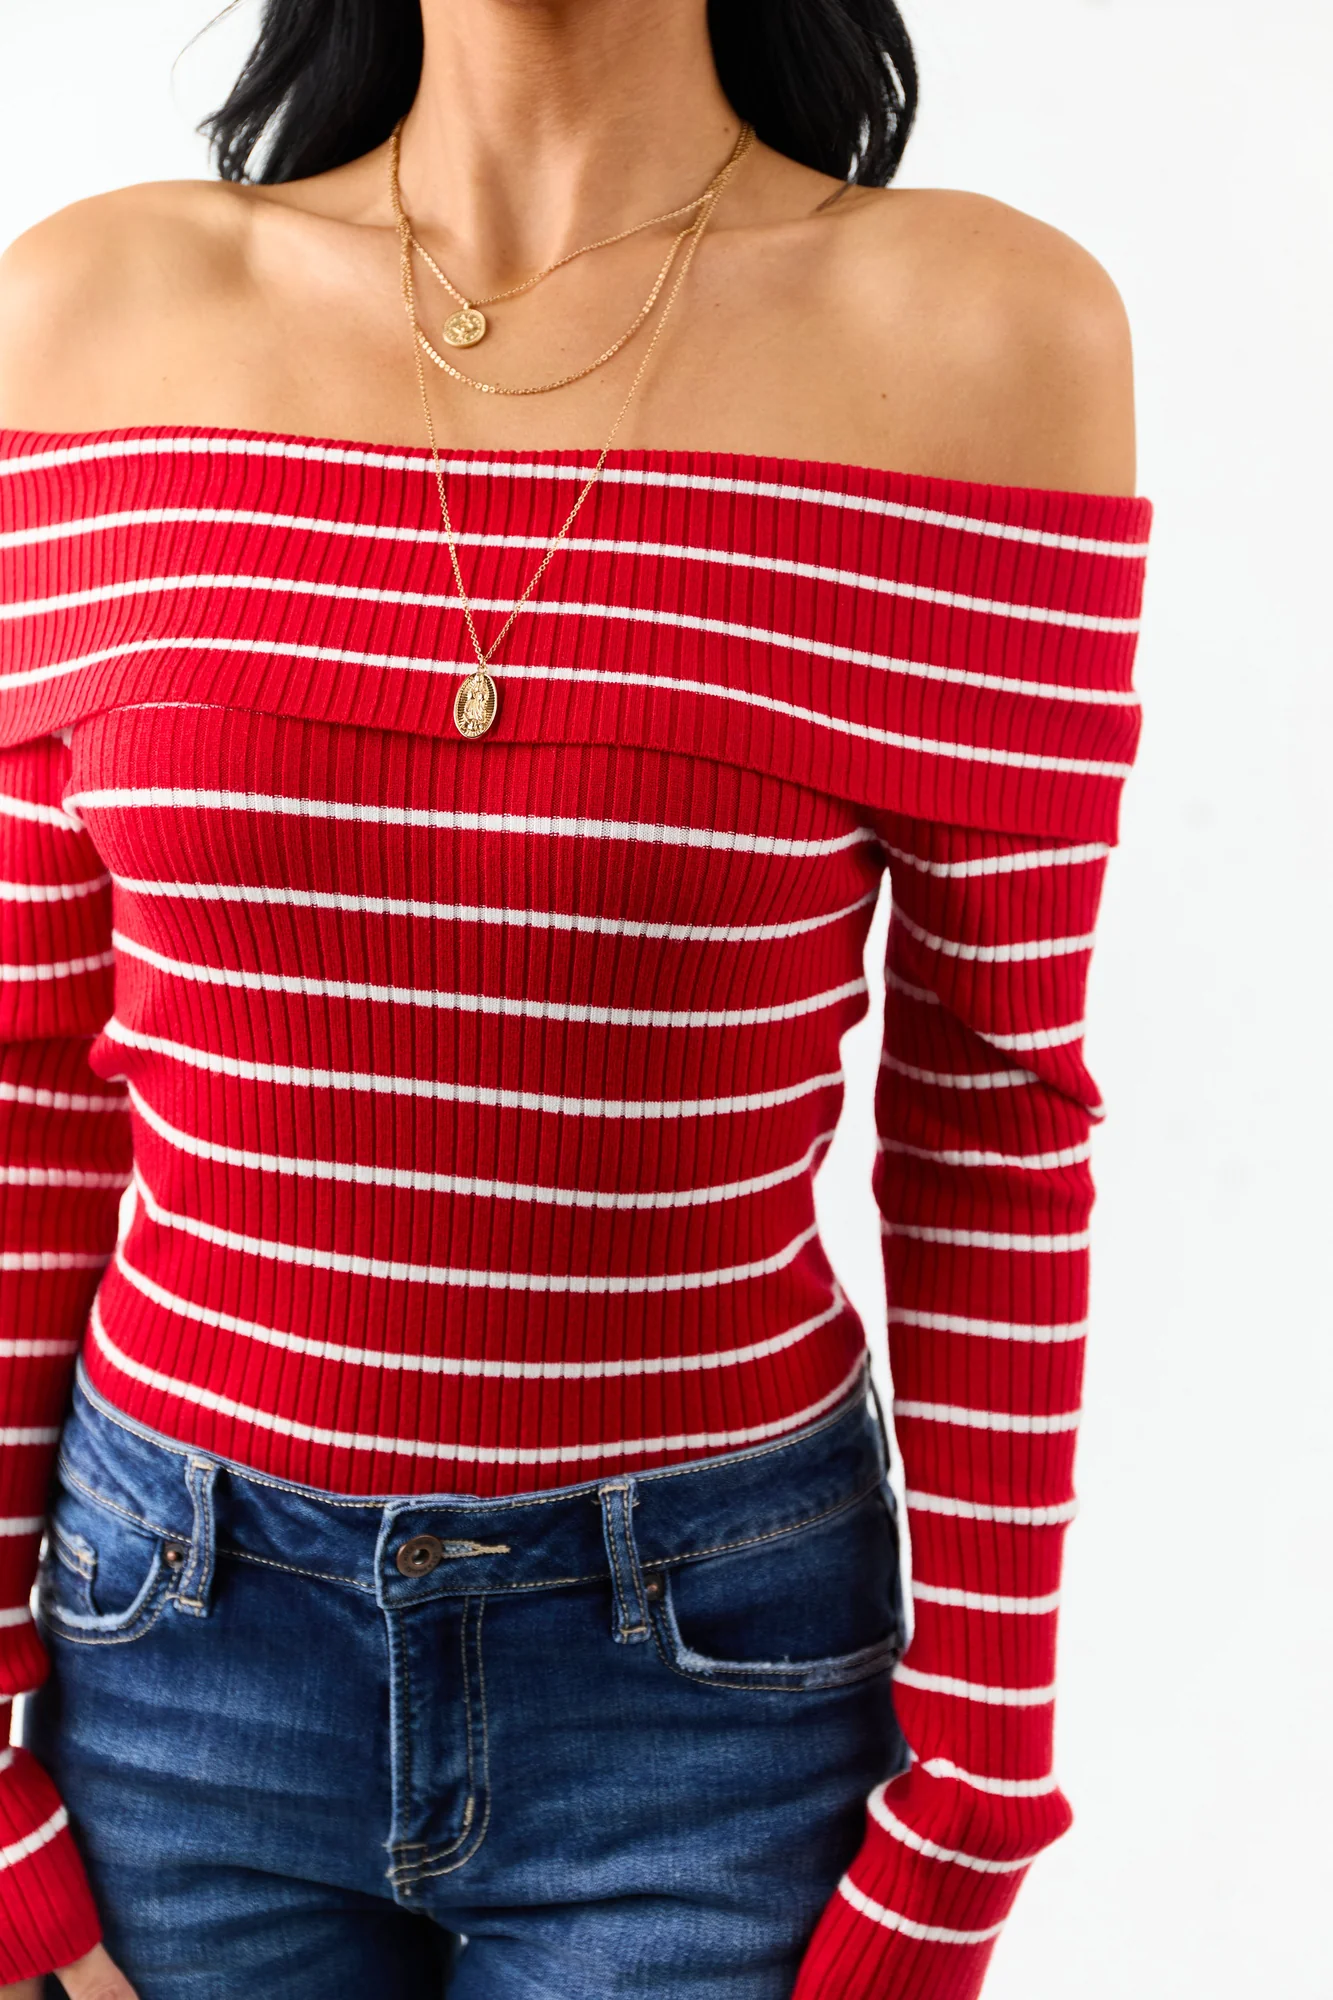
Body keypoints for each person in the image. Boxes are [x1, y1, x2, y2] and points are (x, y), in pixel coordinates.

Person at [0, 2, 1148, 1995]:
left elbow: (994, 1116)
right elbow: (27, 1077)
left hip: (711, 1694)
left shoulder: (984, 344)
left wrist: (969, 1811)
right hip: (170, 1658)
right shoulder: (93, 318)